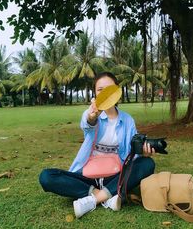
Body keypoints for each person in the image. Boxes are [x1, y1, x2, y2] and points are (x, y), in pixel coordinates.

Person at [39, 72, 155, 218]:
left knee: (147, 163)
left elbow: (133, 151)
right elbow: (87, 124)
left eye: (109, 88)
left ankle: (95, 199)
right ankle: (107, 196)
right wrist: (92, 117)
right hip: (87, 177)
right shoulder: (91, 114)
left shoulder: (127, 120)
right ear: (95, 92)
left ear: (117, 91)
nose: (105, 93)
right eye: (100, 89)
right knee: (46, 177)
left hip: (115, 176)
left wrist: (143, 152)